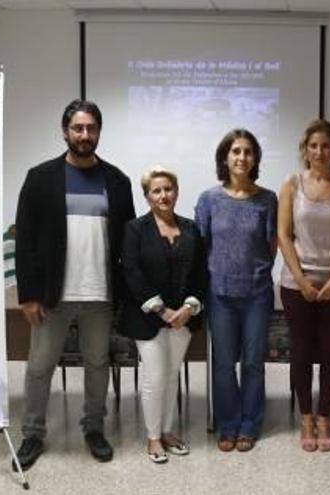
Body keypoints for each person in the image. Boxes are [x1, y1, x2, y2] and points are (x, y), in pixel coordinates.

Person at [13, 99, 135, 471]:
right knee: (39, 366)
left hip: (100, 293)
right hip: (53, 295)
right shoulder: (40, 177)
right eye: (78, 128)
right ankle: (33, 433)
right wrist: (28, 294)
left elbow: (127, 241)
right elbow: (26, 240)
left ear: (99, 132)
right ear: (65, 131)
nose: (85, 135)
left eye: (91, 128)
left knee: (97, 364)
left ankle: (94, 428)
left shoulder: (117, 181)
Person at [278, 119, 330, 452]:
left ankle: (324, 415)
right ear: (305, 149)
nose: (319, 151)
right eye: (313, 145)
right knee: (300, 351)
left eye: (326, 145)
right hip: (296, 284)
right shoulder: (292, 184)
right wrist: (301, 280)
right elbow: (283, 235)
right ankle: (306, 416)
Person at [195, 129, 277, 453]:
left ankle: (250, 424)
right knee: (224, 363)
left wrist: (255, 271)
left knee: (254, 362)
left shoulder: (267, 199)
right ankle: (228, 424)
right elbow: (202, 245)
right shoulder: (209, 199)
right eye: (235, 151)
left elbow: (271, 245)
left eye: (248, 151)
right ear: (225, 158)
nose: (242, 157)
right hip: (220, 294)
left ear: (255, 158)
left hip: (257, 293)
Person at [120, 167, 207, 464]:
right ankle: (153, 437)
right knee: (155, 376)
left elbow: (200, 272)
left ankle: (168, 431)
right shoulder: (134, 229)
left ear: (177, 191)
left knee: (171, 376)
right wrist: (162, 309)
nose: (163, 195)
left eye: (168, 189)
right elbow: (131, 272)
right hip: (148, 318)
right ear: (147, 196)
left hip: (182, 318)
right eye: (156, 191)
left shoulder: (192, 228)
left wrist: (188, 308)